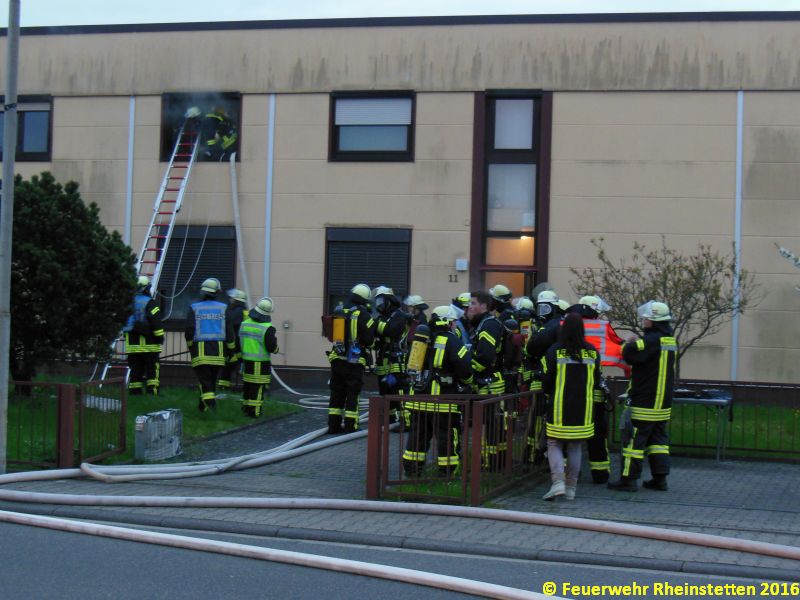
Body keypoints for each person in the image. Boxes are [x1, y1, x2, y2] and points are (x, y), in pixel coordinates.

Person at [608, 301, 678, 492]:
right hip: (663, 403)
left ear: (653, 320)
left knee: (633, 442)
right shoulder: (670, 340)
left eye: (646, 318)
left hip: (645, 401)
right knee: (658, 442)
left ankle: (628, 480)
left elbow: (630, 353)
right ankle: (660, 479)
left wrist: (627, 342)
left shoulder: (651, 341)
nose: (643, 320)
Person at [403, 306, 473, 477]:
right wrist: (467, 383)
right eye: (454, 321)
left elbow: (409, 363)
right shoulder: (452, 340)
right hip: (443, 400)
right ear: (448, 322)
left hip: (418, 398)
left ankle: (412, 471)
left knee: (417, 435)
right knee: (446, 436)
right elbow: (465, 369)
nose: (456, 324)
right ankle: (447, 473)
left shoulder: (421, 339)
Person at [540, 313, 603, 500]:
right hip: (584, 409)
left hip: (560, 407)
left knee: (554, 443)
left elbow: (546, 380)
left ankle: (557, 482)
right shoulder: (593, 352)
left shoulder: (554, 351)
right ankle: (571, 488)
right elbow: (597, 381)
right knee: (575, 446)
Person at [327, 283, 376, 434]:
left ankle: (333, 425)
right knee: (352, 393)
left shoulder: (339, 310)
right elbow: (369, 340)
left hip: (337, 358)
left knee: (337, 392)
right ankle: (351, 425)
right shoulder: (364, 314)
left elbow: (333, 335)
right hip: (354, 361)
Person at [468, 289, 506, 471]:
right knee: (491, 424)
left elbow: (485, 356)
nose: (470, 307)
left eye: (473, 303)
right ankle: (493, 461)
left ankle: (490, 463)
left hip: (489, 383)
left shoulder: (488, 324)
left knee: (490, 425)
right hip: (486, 381)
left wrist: (468, 371)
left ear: (484, 306)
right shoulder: (483, 323)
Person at [185, 278, 236, 412]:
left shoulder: (194, 308)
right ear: (217, 292)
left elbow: (189, 330)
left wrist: (191, 346)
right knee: (211, 380)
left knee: (205, 381)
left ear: (203, 292)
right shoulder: (223, 308)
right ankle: (203, 407)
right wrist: (231, 351)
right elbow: (229, 332)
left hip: (200, 352)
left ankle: (211, 407)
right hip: (218, 353)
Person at [372, 286, 410, 423]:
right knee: (384, 391)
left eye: (381, 301)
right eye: (377, 302)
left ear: (389, 300)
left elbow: (390, 330)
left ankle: (406, 420)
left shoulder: (399, 315)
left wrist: (375, 324)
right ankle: (390, 419)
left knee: (398, 390)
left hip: (396, 360)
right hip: (383, 360)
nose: (379, 305)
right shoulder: (383, 317)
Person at [123, 275, 165, 396]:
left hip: (132, 347)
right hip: (150, 346)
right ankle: (153, 393)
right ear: (147, 288)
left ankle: (135, 394)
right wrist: (160, 338)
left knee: (135, 372)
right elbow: (156, 323)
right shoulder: (150, 303)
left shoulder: (128, 303)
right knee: (152, 371)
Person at [239, 297, 279, 418]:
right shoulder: (267, 328)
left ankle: (246, 410)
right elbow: (271, 347)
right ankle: (255, 413)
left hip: (246, 361)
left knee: (248, 386)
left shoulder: (244, 324)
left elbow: (238, 341)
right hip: (260, 363)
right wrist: (276, 349)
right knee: (258, 388)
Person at [218, 288, 248, 393]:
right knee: (244, 367)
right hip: (244, 346)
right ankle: (248, 388)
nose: (230, 300)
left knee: (228, 366)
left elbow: (229, 327)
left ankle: (223, 388)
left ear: (237, 300)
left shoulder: (237, 312)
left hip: (236, 346)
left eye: (232, 299)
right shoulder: (245, 312)